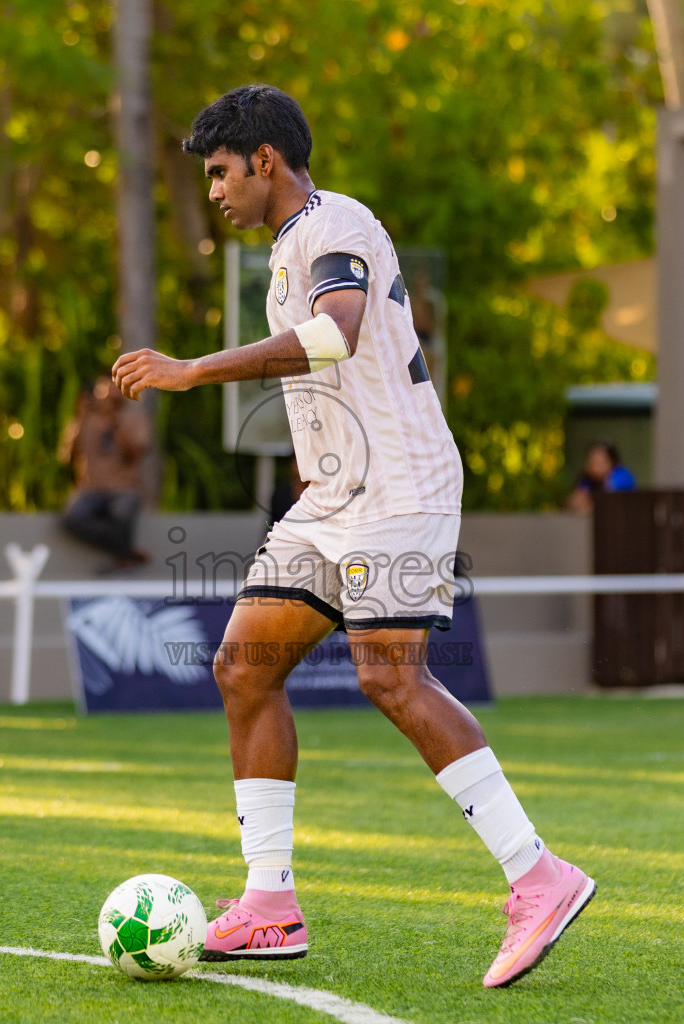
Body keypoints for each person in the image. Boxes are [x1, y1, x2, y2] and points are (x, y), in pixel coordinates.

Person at [111, 84, 595, 988]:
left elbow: (334, 337)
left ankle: (539, 877)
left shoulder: (336, 226)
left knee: (387, 676)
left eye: (219, 173)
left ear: (264, 161)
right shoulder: (294, 243)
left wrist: (189, 371)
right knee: (243, 667)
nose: (213, 192)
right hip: (334, 499)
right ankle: (267, 905)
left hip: (402, 488)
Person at [58, 375, 151, 569]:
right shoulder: (84, 420)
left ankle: (123, 554)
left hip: (123, 488)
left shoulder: (134, 420)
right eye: (105, 390)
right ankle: (125, 552)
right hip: (90, 489)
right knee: (72, 518)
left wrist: (115, 423)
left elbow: (135, 454)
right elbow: (66, 458)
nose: (110, 395)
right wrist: (81, 418)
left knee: (121, 513)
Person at [566, 440, 636, 514]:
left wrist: (589, 508)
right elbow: (573, 503)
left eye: (598, 461)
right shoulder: (587, 478)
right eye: (591, 461)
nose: (593, 466)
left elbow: (611, 505)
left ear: (611, 461)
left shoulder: (620, 476)